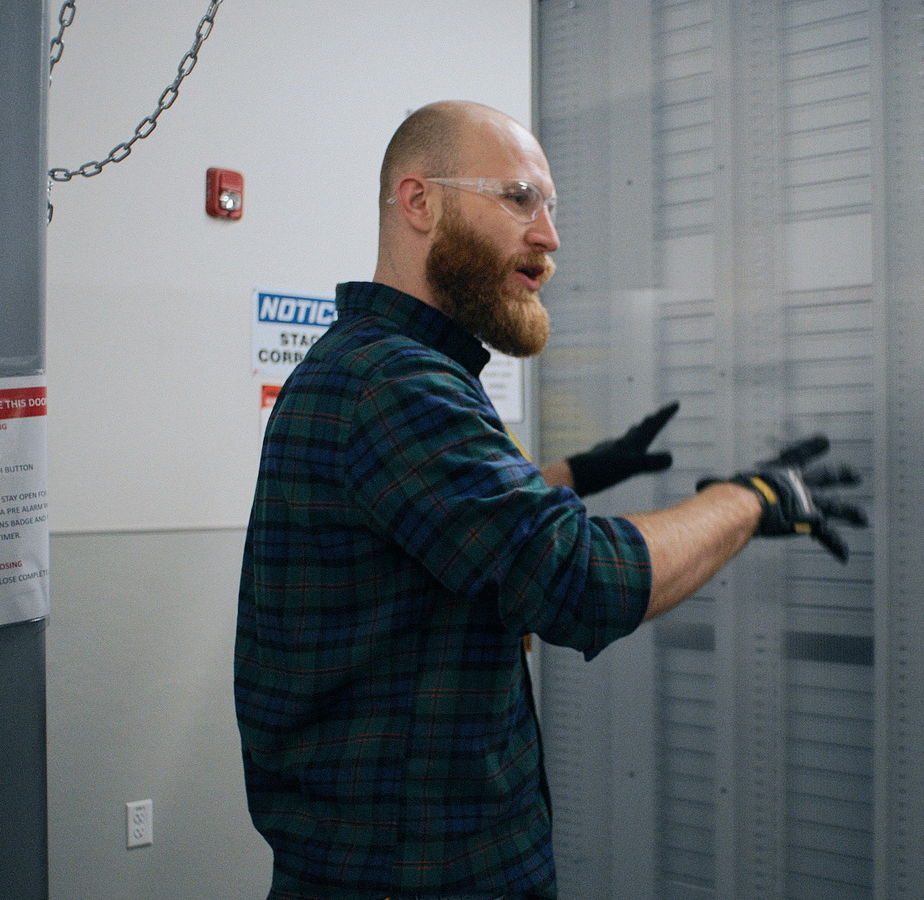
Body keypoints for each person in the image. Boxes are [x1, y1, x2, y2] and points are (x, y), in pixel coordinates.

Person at [235, 100, 862, 900]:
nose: (549, 237)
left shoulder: (376, 369)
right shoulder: (394, 384)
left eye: (551, 206)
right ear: (419, 202)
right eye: (518, 198)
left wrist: (581, 471)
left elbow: (458, 529)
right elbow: (580, 583)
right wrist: (755, 498)